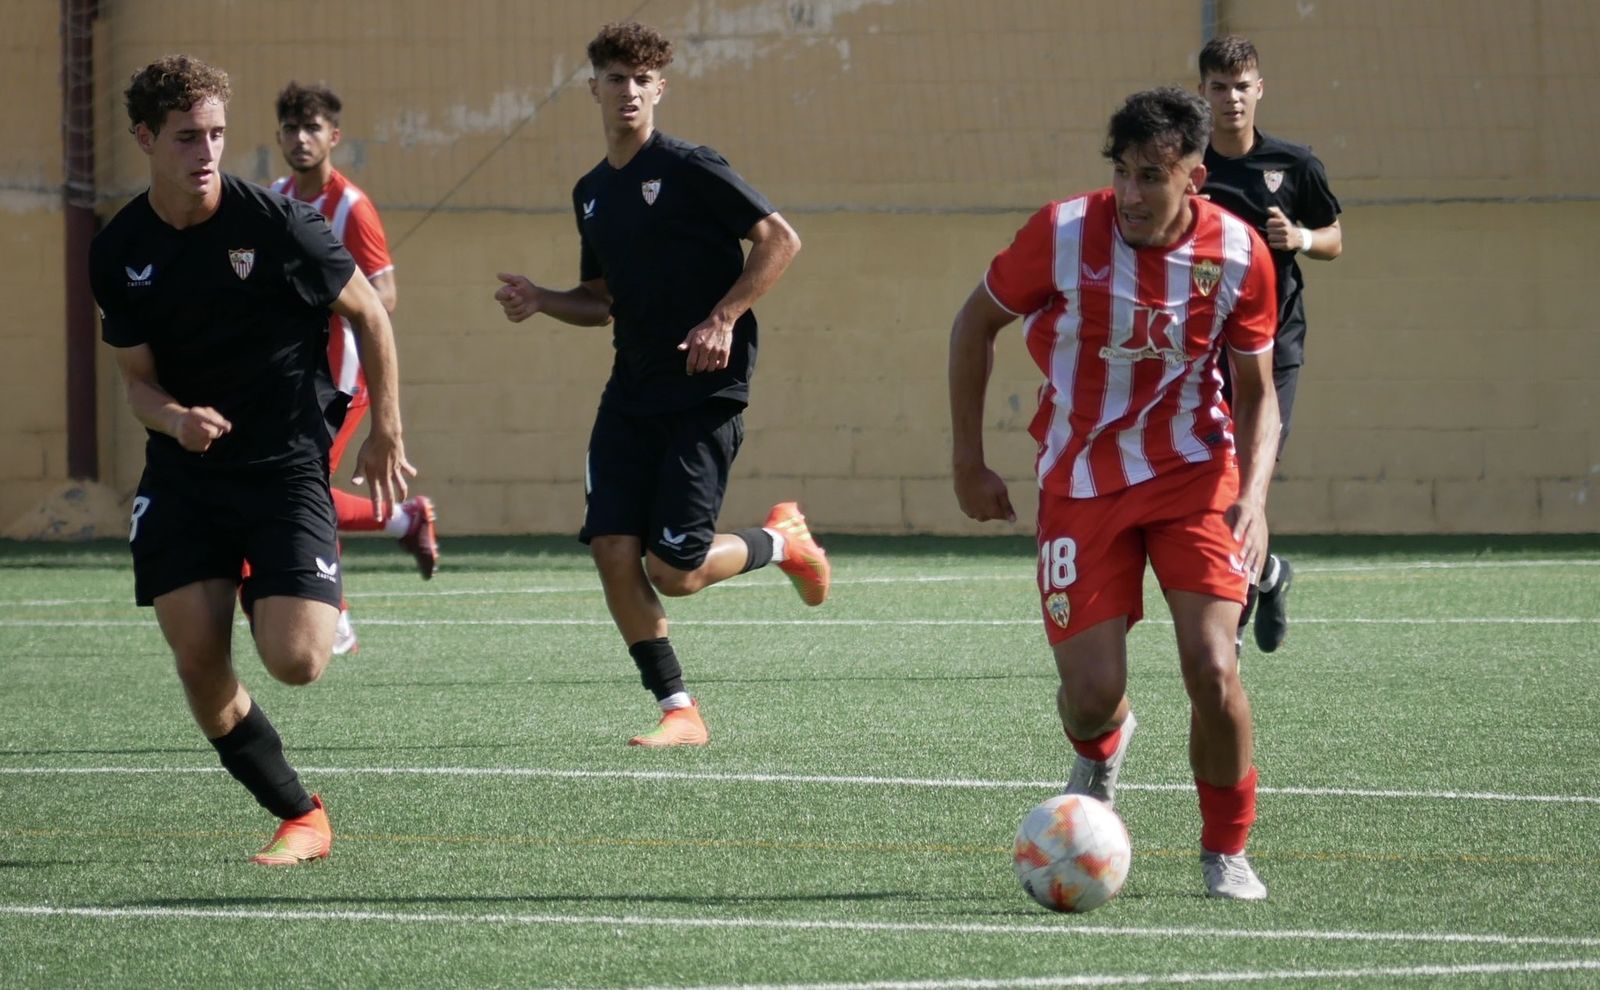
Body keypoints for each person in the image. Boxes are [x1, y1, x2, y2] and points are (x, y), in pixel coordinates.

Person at [948, 87, 1281, 899]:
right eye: (1123, 173)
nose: (1131, 195)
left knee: (1212, 668)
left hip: (1194, 476)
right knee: (1092, 696)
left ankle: (1224, 851)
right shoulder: (1062, 234)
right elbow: (972, 325)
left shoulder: (1239, 256)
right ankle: (1102, 746)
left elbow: (1258, 392)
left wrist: (1256, 496)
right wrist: (967, 460)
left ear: (1193, 178)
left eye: (1152, 178)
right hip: (1080, 480)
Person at [90, 55, 415, 865]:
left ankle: (262, 580)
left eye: (217, 135)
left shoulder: (276, 224)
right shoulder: (120, 247)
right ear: (144, 138)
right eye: (186, 137)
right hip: (186, 473)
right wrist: (175, 419)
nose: (206, 152)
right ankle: (301, 815)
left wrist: (388, 432)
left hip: (282, 465)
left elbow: (372, 313)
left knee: (298, 661)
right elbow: (137, 383)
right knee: (199, 661)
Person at [493, 21, 826, 747]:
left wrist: (724, 317)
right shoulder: (590, 195)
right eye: (617, 78)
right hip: (631, 392)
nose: (629, 92)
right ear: (595, 89)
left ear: (660, 89)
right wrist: (543, 299)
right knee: (613, 548)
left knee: (674, 571)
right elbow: (601, 297)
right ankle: (679, 707)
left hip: (706, 392)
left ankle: (780, 540)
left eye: (643, 80)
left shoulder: (691, 166)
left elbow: (780, 239)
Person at [271, 81, 439, 656]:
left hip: (342, 380)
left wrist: (322, 299)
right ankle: (403, 521)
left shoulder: (350, 206)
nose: (300, 138)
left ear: (333, 137)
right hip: (289, 377)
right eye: (291, 128)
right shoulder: (274, 197)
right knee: (297, 489)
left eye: (311, 128)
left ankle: (335, 615)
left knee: (302, 491)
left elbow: (384, 296)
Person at [1199, 34, 1343, 654]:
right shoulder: (1189, 169)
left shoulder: (1296, 164)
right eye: (1218, 87)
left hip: (1273, 345)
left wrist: (1301, 237)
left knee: (1249, 475)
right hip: (1204, 349)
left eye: (1241, 86)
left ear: (1260, 89)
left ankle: (1229, 620)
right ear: (1203, 94)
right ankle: (1266, 572)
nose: (1231, 98)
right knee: (1217, 480)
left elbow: (1336, 237)